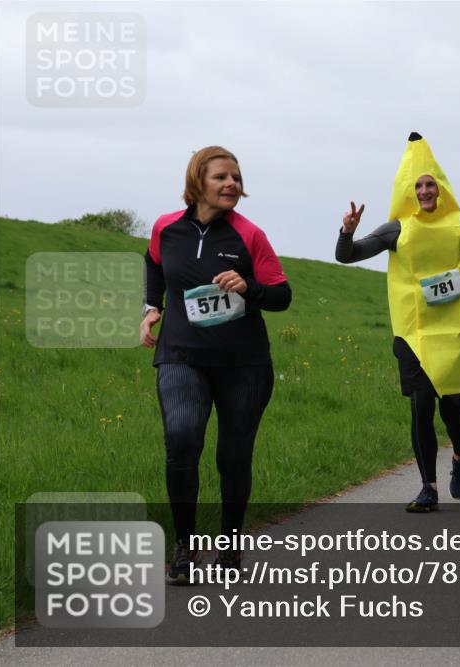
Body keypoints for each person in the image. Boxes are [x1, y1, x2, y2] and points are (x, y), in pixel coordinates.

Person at [141, 146, 292, 584]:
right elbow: (152, 262)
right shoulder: (166, 228)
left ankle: (229, 545)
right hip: (181, 356)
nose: (231, 184)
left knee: (233, 456)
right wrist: (152, 306)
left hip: (243, 363)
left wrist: (248, 288)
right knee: (183, 439)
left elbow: (282, 296)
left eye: (236, 177)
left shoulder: (250, 235)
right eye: (221, 177)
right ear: (197, 182)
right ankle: (185, 549)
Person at [335, 133, 460, 513]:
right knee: (421, 406)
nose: (425, 190)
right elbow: (348, 256)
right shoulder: (396, 229)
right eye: (418, 185)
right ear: (407, 192)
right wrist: (347, 231)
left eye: (431, 184)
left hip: (454, 333)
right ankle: (428, 486)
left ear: (441, 187)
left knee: (451, 409)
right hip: (413, 333)